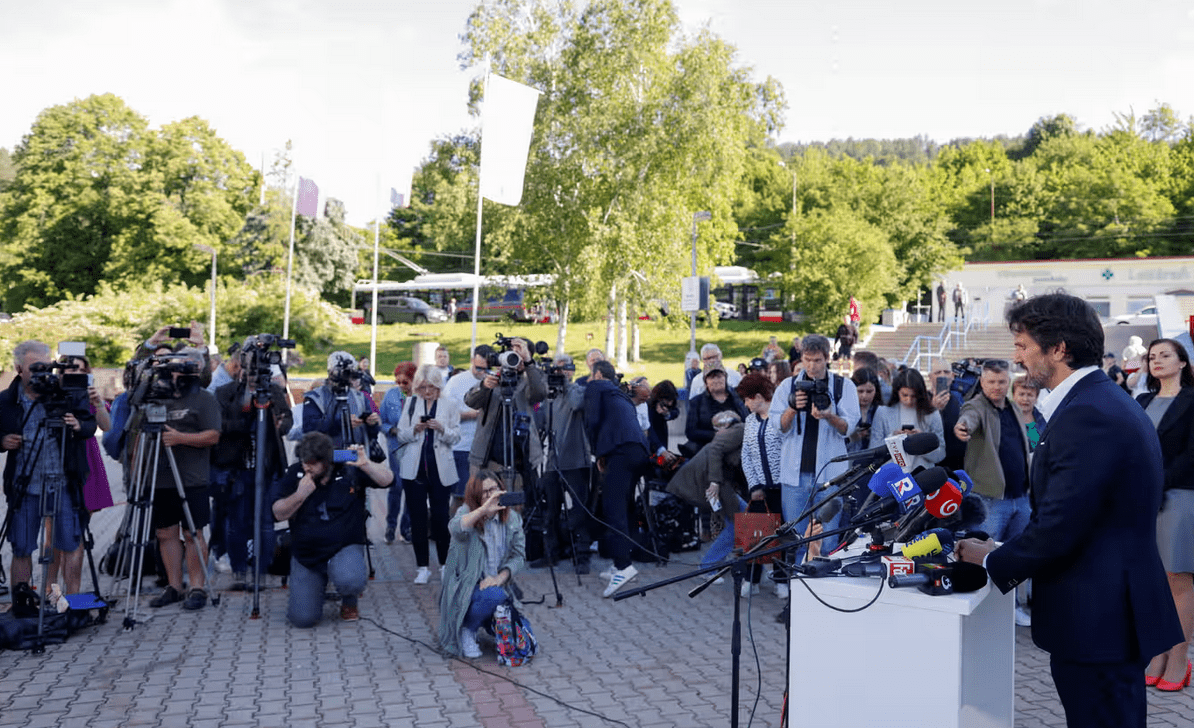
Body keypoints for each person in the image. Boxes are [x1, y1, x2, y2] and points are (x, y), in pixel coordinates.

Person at [957, 293, 1182, 728]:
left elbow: (1061, 526)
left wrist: (992, 557)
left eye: (1023, 345)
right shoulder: (1096, 403)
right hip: (1102, 610)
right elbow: (1083, 513)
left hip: (1099, 616)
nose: (1016, 356)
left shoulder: (1090, 414)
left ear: (1058, 348)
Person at [1, 341, 96, 596]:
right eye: (35, 368)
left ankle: (74, 603)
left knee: (70, 542)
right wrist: (2, 441)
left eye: (46, 367)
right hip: (24, 485)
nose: (43, 374)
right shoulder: (6, 401)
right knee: (21, 546)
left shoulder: (66, 393)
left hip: (64, 484)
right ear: (19, 368)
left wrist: (77, 425)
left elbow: (90, 425)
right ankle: (22, 601)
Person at [272, 433, 394, 626]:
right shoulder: (296, 473)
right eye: (304, 461)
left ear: (327, 461)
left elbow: (387, 479)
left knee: (350, 580)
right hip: (307, 553)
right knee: (302, 619)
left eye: (312, 462)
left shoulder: (347, 466)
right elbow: (278, 513)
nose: (306, 466)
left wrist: (366, 464)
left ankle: (349, 599)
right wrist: (299, 495)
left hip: (343, 546)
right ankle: (315, 587)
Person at [211, 337, 293, 590]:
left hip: (268, 466)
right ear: (240, 367)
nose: (254, 374)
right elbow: (220, 426)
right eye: (250, 368)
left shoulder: (274, 391)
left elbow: (287, 419)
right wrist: (249, 424)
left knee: (266, 522)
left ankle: (262, 568)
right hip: (237, 468)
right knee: (237, 522)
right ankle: (238, 570)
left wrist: (280, 425)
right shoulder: (225, 393)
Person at [1136, 338, 1194, 691]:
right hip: (1141, 500)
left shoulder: (1192, 401)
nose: (1156, 361)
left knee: (1177, 578)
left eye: (1164, 355)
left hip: (1180, 496)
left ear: (1182, 363)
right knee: (1153, 579)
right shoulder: (1141, 401)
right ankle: (1158, 650)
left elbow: (1192, 454)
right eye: (1151, 356)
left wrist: (1157, 482)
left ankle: (1180, 656)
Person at [769, 334, 859, 562]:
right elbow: (777, 428)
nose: (811, 366)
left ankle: (822, 592)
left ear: (827, 358)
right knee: (798, 539)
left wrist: (829, 415)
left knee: (827, 541)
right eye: (807, 359)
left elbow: (848, 429)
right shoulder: (787, 386)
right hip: (794, 477)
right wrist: (792, 409)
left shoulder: (843, 386)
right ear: (801, 357)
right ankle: (799, 593)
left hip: (830, 476)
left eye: (817, 360)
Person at [145, 346, 221, 610]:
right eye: (175, 365)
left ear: (198, 369)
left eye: (185, 365)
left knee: (193, 533)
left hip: (192, 478)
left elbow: (213, 435)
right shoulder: (157, 396)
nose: (178, 370)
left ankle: (198, 587)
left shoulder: (204, 399)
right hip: (161, 476)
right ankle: (174, 586)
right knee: (165, 533)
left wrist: (180, 438)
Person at [438, 470, 526, 658]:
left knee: (523, 636)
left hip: (496, 585)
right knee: (494, 594)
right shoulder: (467, 512)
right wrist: (482, 511)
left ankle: (486, 622)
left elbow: (519, 556)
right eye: (486, 492)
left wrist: (499, 577)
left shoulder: (511, 518)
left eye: (495, 489)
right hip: (468, 589)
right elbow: (454, 528)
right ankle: (467, 630)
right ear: (477, 496)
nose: (492, 495)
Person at [585, 360, 651, 597]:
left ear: (598, 374)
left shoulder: (596, 387)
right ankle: (619, 562)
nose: (588, 380)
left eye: (590, 375)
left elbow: (591, 422)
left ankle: (624, 567)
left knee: (613, 508)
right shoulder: (618, 394)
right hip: (639, 451)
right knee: (625, 506)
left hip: (621, 452)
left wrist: (596, 452)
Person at [396, 364, 461, 584]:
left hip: (440, 469)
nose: (426, 392)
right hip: (414, 469)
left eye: (431, 387)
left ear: (438, 385)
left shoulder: (450, 404)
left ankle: (444, 565)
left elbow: (456, 437)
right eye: (422, 387)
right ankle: (422, 567)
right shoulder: (412, 403)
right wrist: (415, 429)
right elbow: (401, 435)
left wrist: (441, 429)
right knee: (418, 519)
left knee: (442, 519)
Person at [532, 354, 594, 573]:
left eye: (564, 369)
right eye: (556, 370)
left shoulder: (577, 390)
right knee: (550, 509)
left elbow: (577, 405)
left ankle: (582, 555)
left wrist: (565, 383)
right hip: (552, 462)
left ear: (571, 371)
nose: (559, 373)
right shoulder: (548, 396)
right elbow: (538, 423)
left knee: (579, 510)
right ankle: (551, 553)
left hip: (576, 461)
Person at [666, 410, 745, 572]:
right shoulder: (742, 429)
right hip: (714, 479)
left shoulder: (738, 430)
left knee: (739, 521)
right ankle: (709, 567)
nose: (718, 432)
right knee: (741, 521)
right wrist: (715, 482)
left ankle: (715, 565)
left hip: (715, 479)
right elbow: (717, 448)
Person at [464, 338, 547, 489]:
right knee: (483, 504)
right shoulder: (494, 378)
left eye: (520, 351)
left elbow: (539, 393)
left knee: (519, 507)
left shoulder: (532, 378)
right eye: (512, 351)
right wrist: (484, 386)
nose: (515, 355)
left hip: (522, 458)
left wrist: (528, 363)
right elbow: (470, 401)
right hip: (487, 458)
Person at [736, 373, 786, 597]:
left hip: (783, 486)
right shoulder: (749, 421)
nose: (746, 405)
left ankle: (781, 580)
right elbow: (746, 454)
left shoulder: (781, 416)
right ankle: (751, 579)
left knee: (780, 535)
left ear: (758, 397)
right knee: (754, 534)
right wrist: (754, 485)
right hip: (759, 489)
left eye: (747, 399)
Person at [441, 346, 490, 517]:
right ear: (471, 361)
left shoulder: (495, 381)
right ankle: (451, 534)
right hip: (461, 447)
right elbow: (444, 414)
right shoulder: (456, 382)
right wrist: (470, 415)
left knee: (484, 498)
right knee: (462, 496)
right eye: (478, 368)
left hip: (486, 449)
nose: (482, 372)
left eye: (486, 369)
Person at [869, 368, 946, 472]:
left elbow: (940, 454)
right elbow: (873, 450)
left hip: (921, 476)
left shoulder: (932, 414)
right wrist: (892, 438)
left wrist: (922, 442)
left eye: (913, 396)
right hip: (890, 476)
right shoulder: (883, 412)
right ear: (897, 392)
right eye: (904, 395)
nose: (909, 400)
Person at [302, 351, 380, 449]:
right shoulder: (315, 396)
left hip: (354, 456)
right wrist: (340, 423)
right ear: (332, 372)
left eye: (351, 371)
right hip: (325, 457)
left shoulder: (360, 397)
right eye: (346, 372)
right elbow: (308, 427)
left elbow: (372, 434)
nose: (349, 376)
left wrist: (372, 424)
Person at [380, 362, 417, 544]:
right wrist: (391, 430)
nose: (401, 385)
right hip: (396, 446)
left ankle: (406, 527)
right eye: (398, 382)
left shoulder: (421, 396)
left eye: (405, 382)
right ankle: (390, 525)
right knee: (397, 486)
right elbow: (381, 421)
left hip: (415, 447)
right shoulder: (391, 395)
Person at [683, 367, 747, 456]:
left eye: (719, 376)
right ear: (706, 383)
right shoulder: (696, 402)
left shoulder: (737, 398)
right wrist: (715, 435)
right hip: (708, 448)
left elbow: (747, 422)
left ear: (725, 379)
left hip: (737, 447)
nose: (716, 380)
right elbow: (690, 432)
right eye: (712, 377)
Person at [929, 360, 967, 472]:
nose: (942, 376)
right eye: (937, 373)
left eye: (946, 372)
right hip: (933, 465)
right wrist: (934, 409)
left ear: (953, 376)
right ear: (930, 377)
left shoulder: (959, 400)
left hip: (957, 466)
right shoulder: (922, 400)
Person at [846, 367, 882, 453]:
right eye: (860, 391)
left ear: (876, 391)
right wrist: (854, 437)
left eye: (869, 391)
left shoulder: (881, 411)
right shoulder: (845, 410)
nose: (864, 396)